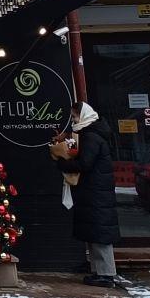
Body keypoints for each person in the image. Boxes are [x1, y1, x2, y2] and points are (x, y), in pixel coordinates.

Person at [57, 102, 120, 288]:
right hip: (94, 190)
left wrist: (63, 163)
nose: (73, 120)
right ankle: (98, 270)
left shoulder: (91, 136)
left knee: (99, 231)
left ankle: (106, 274)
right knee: (94, 230)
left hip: (95, 191)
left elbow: (85, 163)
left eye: (74, 116)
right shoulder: (90, 133)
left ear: (83, 115)